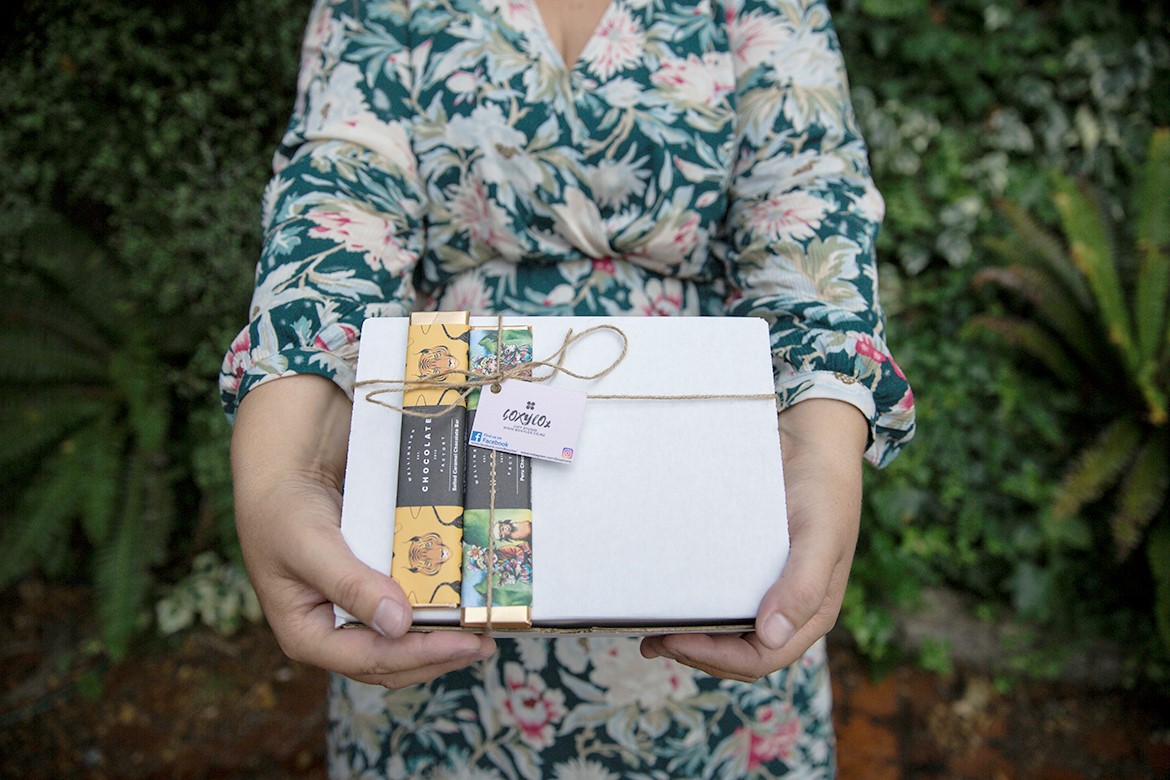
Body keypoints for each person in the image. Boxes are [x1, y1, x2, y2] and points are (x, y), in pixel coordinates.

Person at [222, 0, 915, 776]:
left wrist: (820, 440)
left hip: (704, 480)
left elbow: (807, 190)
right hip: (443, 476)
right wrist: (290, 449)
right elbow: (341, 187)